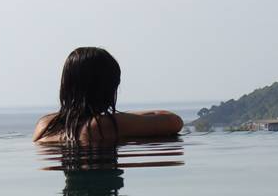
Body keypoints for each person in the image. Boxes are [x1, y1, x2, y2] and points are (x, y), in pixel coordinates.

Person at [33, 47, 184, 144]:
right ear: (105, 88)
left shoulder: (46, 124)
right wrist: (120, 117)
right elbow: (174, 121)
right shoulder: (99, 125)